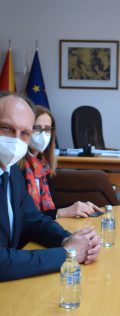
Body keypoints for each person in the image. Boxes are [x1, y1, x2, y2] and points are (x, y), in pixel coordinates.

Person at [0, 92, 101, 281]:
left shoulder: (11, 171)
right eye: (6, 128)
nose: (16, 140)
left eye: (24, 133)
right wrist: (67, 254)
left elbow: (33, 220)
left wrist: (68, 239)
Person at [18, 105, 102, 219]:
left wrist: (79, 207)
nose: (43, 134)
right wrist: (62, 212)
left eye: (47, 129)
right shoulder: (16, 168)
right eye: (37, 128)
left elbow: (49, 210)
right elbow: (23, 217)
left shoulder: (44, 167)